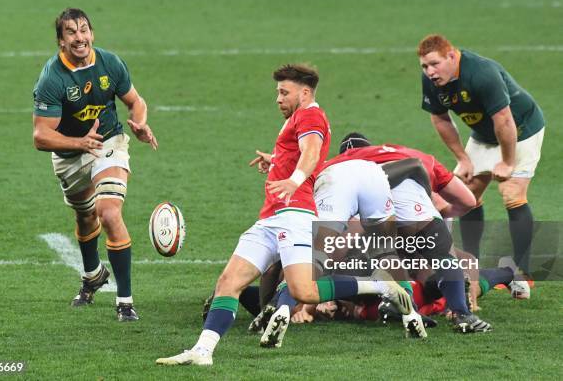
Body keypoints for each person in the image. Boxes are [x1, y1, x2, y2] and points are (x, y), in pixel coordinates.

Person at [156, 64, 411, 366]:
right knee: (229, 281)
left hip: (296, 214)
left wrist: (294, 179)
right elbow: (300, 153)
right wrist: (277, 161)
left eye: (283, 92)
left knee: (302, 289)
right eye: (278, 92)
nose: (278, 98)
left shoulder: (311, 115)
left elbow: (312, 151)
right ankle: (202, 351)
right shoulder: (297, 118)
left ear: (304, 93)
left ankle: (378, 285)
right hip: (271, 216)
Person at [32, 8, 157, 321]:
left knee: (109, 212)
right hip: (69, 154)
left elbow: (136, 101)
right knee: (85, 216)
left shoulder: (109, 63)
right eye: (71, 33)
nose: (80, 37)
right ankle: (92, 275)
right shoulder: (52, 77)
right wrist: (79, 143)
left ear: (92, 34)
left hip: (108, 143)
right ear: (61, 41)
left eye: (84, 30)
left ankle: (124, 301)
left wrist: (140, 123)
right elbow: (41, 136)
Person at [334, 132, 492, 333]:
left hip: (379, 216)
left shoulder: (340, 164)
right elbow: (469, 201)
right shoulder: (414, 155)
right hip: (418, 208)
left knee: (372, 260)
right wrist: (435, 207)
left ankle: (405, 309)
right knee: (445, 259)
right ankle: (462, 314)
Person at [417, 34, 546, 275]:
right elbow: (440, 118)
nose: (430, 71)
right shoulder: (432, 81)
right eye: (425, 66)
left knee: (512, 193)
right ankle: (470, 263)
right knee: (465, 193)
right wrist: (462, 159)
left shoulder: (481, 73)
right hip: (484, 133)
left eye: (435, 64)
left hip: (520, 129)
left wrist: (507, 162)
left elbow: (504, 120)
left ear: (452, 56)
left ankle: (522, 272)